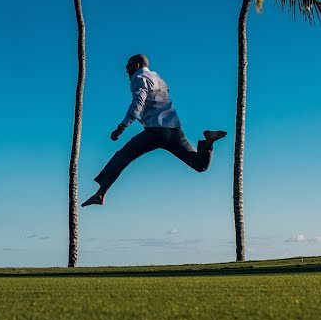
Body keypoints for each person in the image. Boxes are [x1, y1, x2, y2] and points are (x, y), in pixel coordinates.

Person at [82, 54, 226, 207]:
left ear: (136, 66)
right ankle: (208, 142)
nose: (126, 71)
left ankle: (100, 194)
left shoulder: (138, 78)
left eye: (128, 67)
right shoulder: (157, 77)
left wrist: (122, 126)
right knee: (199, 165)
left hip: (155, 131)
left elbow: (138, 103)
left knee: (122, 156)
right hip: (175, 130)